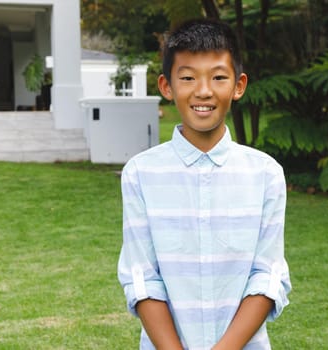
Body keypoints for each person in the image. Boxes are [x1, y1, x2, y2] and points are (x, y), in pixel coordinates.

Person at [118, 18, 291, 350]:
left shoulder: (266, 174)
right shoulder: (140, 173)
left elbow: (267, 276)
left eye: (218, 77)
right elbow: (143, 278)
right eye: (187, 78)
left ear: (238, 85)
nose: (203, 91)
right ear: (167, 86)